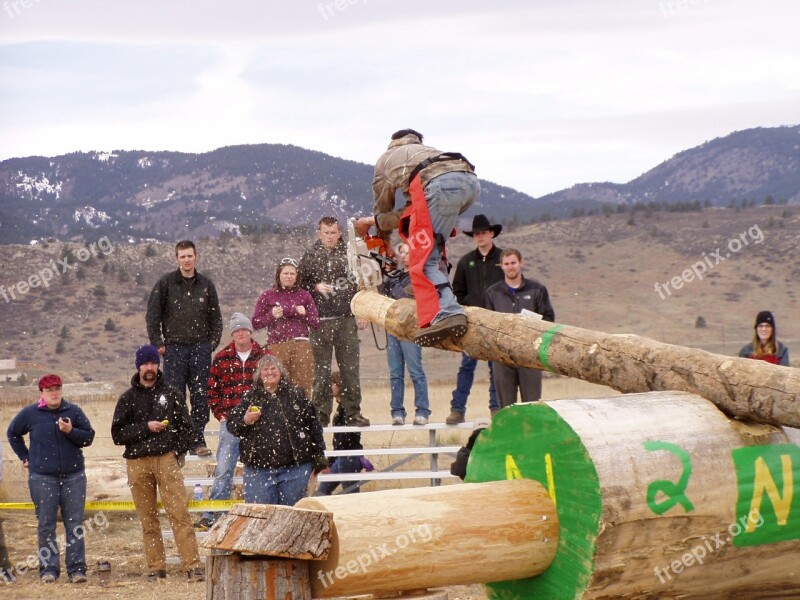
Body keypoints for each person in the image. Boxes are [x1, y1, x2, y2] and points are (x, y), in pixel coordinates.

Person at [356, 128, 481, 347]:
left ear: (393, 142)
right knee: (432, 246)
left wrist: (381, 236)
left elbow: (382, 206)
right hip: (470, 182)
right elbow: (408, 213)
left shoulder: (386, 159)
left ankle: (447, 312)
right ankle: (439, 298)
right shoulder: (425, 154)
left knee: (422, 259)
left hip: (441, 186)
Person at [111, 345, 204, 582]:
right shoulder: (127, 398)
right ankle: (156, 567)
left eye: (153, 363)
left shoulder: (172, 394)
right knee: (148, 518)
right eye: (146, 364)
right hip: (137, 463)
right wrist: (145, 427)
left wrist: (175, 451)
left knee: (179, 514)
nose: (150, 368)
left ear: (158, 365)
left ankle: (192, 565)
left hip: (166, 460)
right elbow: (118, 435)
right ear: (138, 366)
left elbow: (187, 428)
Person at [6, 374, 95, 583]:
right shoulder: (30, 413)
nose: (53, 393)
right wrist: (25, 456)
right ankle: (49, 570)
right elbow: (12, 433)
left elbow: (89, 437)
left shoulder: (73, 411)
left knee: (74, 524)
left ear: (61, 390)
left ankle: (76, 570)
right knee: (46, 525)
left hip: (74, 476)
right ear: (42, 393)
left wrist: (70, 431)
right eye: (49, 390)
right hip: (42, 478)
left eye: (57, 388)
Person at [146, 239, 223, 457]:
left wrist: (212, 343)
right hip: (175, 349)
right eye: (183, 256)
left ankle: (197, 439)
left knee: (201, 395)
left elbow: (216, 318)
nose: (187, 260)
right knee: (174, 396)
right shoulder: (166, 283)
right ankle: (178, 442)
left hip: (200, 348)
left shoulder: (206, 285)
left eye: (190, 256)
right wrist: (158, 343)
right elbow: (152, 315)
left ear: (196, 257)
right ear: (177, 258)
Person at [198, 313, 269, 529]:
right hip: (231, 424)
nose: (241, 333)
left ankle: (257, 513)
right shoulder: (221, 358)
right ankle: (216, 514)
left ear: (250, 332)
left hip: (258, 424)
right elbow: (212, 390)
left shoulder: (264, 356)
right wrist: (221, 415)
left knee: (258, 468)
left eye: (244, 329)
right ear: (232, 334)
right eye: (237, 330)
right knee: (224, 469)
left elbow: (273, 385)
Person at [226, 354, 328, 505]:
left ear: (281, 372)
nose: (269, 372)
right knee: (261, 518)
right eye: (265, 369)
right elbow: (232, 426)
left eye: (273, 368)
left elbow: (313, 426)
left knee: (293, 517)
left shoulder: (296, 395)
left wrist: (319, 455)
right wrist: (245, 420)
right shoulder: (250, 398)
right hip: (258, 471)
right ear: (259, 375)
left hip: (296, 469)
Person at [298, 216, 370, 427]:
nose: (329, 236)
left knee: (350, 369)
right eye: (325, 232)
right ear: (319, 233)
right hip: (320, 321)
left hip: (346, 319)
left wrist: (363, 311)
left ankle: (352, 413)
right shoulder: (310, 256)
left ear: (339, 233)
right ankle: (320, 414)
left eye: (333, 232)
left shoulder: (350, 255)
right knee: (321, 371)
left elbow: (362, 281)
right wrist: (315, 287)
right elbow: (300, 283)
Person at [447, 214, 505, 424]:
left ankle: (496, 408)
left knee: (495, 367)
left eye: (484, 232)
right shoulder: (466, 261)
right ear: (474, 236)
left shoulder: (502, 259)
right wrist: (465, 311)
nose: (480, 236)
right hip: (471, 323)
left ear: (492, 234)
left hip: (496, 323)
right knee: (466, 367)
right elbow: (457, 292)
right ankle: (458, 409)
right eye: (477, 233)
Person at [485, 249, 555, 408]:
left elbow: (549, 319)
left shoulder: (537, 289)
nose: (510, 267)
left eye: (513, 263)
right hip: (502, 358)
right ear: (501, 266)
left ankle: (532, 433)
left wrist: (533, 323)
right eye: (506, 264)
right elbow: (486, 325)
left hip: (530, 358)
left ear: (521, 263)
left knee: (531, 407)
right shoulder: (492, 293)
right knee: (506, 409)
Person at [252, 257, 320, 399]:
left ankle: (303, 417)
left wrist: (304, 314)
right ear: (279, 275)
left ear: (297, 277)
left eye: (292, 274)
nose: (289, 277)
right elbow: (256, 322)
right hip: (277, 345)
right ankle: (278, 418)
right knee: (277, 384)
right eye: (285, 273)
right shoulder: (268, 295)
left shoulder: (304, 295)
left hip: (301, 344)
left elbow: (316, 323)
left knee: (303, 385)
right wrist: (271, 316)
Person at [382, 242, 431, 425]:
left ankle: (423, 410)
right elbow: (382, 293)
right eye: (401, 252)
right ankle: (397, 411)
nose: (403, 255)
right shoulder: (395, 277)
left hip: (410, 329)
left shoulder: (421, 276)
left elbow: (414, 297)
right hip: (392, 327)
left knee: (415, 370)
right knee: (395, 371)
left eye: (407, 252)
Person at [314, 371, 373, 496]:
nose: (330, 387)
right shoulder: (342, 408)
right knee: (322, 492)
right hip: (342, 457)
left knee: (350, 495)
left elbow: (345, 439)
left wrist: (331, 460)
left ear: (339, 385)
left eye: (333, 383)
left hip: (348, 458)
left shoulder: (347, 410)